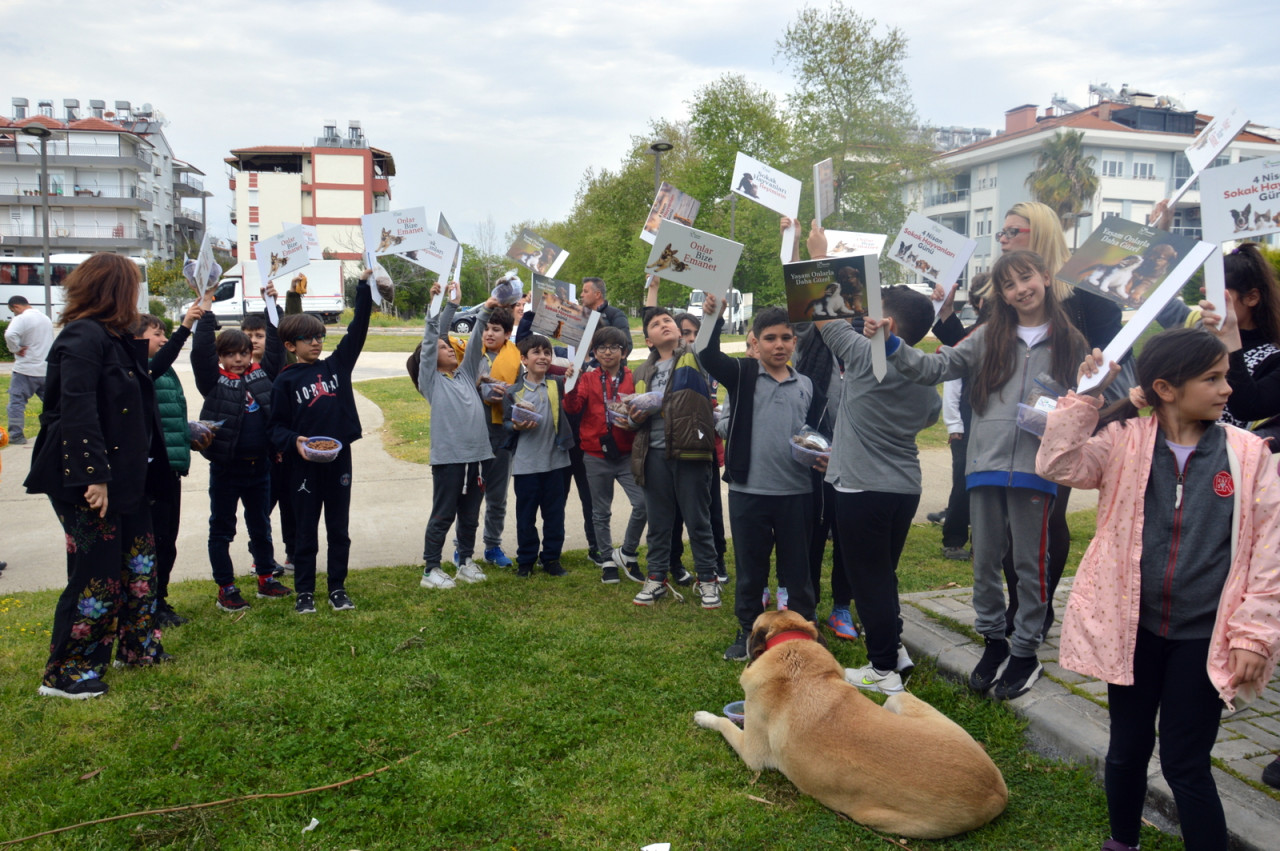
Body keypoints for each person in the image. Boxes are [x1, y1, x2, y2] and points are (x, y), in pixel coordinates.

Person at [1038, 328, 1280, 851]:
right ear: (1167, 389)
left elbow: (1269, 553)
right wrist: (1087, 396)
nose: (1228, 388)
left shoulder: (1248, 453)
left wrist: (1254, 636)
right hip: (1134, 630)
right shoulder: (1124, 440)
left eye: (1225, 376)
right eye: (1212, 378)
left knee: (1185, 763)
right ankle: (1123, 842)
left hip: (1202, 636)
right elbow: (1058, 463)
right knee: (1126, 748)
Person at [869, 249, 1088, 700]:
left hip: (1037, 469)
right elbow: (936, 368)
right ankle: (994, 642)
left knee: (1030, 565)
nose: (1020, 290)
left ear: (1045, 277)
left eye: (1026, 278)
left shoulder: (1072, 342)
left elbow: (1102, 398)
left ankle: (1026, 653)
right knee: (984, 561)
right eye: (1008, 285)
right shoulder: (989, 335)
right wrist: (892, 343)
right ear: (1002, 295)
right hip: (984, 464)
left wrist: (1094, 392)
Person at [24, 254, 169, 698]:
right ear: (113, 289)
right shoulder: (82, 338)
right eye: (132, 285)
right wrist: (94, 475)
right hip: (86, 477)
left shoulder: (115, 337)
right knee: (96, 573)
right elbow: (76, 410)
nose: (137, 293)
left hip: (127, 475)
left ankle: (138, 646)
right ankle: (65, 672)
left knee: (140, 563)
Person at [697, 299, 821, 661]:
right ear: (756, 341)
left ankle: (802, 629)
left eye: (786, 337)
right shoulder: (742, 374)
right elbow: (707, 354)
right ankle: (748, 630)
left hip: (797, 491)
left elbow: (816, 432)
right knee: (751, 569)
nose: (779, 345)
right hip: (748, 490)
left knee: (797, 571)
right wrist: (713, 318)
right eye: (770, 338)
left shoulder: (807, 385)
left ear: (796, 342)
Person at [269, 269, 373, 614]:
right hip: (304, 465)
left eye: (320, 336)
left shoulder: (336, 368)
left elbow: (358, 329)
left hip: (339, 460)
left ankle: (337, 588)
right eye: (308, 338)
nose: (316, 342)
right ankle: (305, 592)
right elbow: (276, 428)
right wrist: (294, 441)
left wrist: (363, 287)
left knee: (338, 529)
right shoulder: (285, 380)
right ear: (290, 345)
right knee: (305, 531)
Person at [191, 292, 290, 611]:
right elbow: (200, 353)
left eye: (243, 353)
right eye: (230, 354)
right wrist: (206, 313)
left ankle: (266, 579)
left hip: (259, 468)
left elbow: (275, 343)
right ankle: (226, 587)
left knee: (260, 525)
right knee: (222, 528)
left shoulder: (264, 377)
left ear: (251, 353)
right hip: (225, 470)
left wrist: (272, 305)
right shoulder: (213, 382)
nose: (238, 359)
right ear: (221, 357)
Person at [629, 275, 719, 608]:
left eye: (668, 320)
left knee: (698, 520)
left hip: (690, 451)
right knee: (659, 522)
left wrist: (713, 311)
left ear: (679, 331)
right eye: (656, 323)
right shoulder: (640, 372)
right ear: (649, 339)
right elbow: (631, 418)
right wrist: (634, 414)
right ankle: (656, 579)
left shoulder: (693, 356)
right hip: (652, 454)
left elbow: (710, 334)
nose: (664, 324)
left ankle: (708, 579)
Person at [418, 281, 497, 589]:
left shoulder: (464, 374)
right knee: (443, 513)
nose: (447, 347)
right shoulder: (432, 381)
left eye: (449, 345)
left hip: (478, 457)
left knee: (470, 515)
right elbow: (429, 342)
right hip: (450, 458)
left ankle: (464, 560)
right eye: (442, 348)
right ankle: (431, 570)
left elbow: (476, 339)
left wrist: (487, 307)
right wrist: (442, 306)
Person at [135, 300, 207, 628]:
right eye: (156, 333)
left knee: (167, 540)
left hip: (171, 467)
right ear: (136, 340)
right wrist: (187, 324)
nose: (163, 339)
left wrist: (187, 431)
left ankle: (158, 599)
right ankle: (148, 605)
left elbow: (166, 417)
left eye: (165, 333)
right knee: (153, 541)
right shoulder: (141, 369)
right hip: (150, 472)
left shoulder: (164, 372)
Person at [563, 324, 647, 584]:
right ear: (594, 352)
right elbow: (573, 407)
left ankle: (628, 553)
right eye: (601, 347)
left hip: (625, 454)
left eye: (614, 347)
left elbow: (643, 410)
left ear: (624, 352)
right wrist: (571, 382)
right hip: (595, 454)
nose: (607, 352)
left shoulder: (633, 378)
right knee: (600, 511)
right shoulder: (587, 378)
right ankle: (607, 559)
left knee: (643, 504)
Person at [504, 334, 575, 577]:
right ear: (524, 359)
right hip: (526, 465)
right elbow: (504, 423)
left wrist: (574, 372)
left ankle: (552, 559)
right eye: (536, 352)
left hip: (557, 463)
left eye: (547, 353)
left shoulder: (558, 384)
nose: (543, 357)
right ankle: (526, 561)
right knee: (526, 517)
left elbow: (575, 391)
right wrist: (515, 426)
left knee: (554, 516)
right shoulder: (514, 391)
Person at [667, 310, 728, 585]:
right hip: (678, 448)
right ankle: (674, 562)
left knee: (711, 508)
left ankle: (718, 561)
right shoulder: (669, 365)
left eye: (695, 333)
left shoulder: (710, 363)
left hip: (707, 449)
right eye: (686, 333)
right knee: (676, 511)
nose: (691, 339)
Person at [471, 305, 520, 569]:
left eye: (496, 330)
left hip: (502, 434)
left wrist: (508, 392)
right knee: (470, 495)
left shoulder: (516, 360)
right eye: (487, 328)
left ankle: (492, 546)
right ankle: (463, 548)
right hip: (474, 433)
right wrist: (479, 384)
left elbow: (523, 390)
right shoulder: (469, 356)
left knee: (497, 496)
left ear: (507, 334)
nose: (489, 334)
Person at [4, 294, 53, 444]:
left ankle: (16, 435)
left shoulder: (21, 318)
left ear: (16, 306)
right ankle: (55, 432)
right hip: (45, 369)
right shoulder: (46, 319)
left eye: (13, 311)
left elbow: (10, 334)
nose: (14, 314)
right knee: (51, 403)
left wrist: (16, 349)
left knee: (16, 402)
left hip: (25, 369)